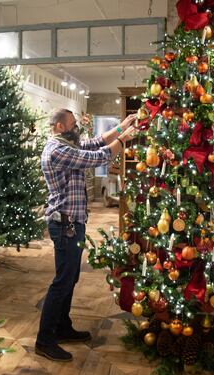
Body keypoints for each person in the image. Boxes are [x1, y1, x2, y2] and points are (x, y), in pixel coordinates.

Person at [35, 109, 137, 362]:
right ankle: (45, 339)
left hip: (73, 222)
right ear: (59, 126)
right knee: (62, 282)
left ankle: (62, 327)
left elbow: (95, 142)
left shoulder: (66, 142)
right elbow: (97, 156)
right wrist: (125, 139)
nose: (77, 127)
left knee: (69, 279)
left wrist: (122, 126)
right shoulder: (58, 150)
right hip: (66, 224)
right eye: (72, 124)